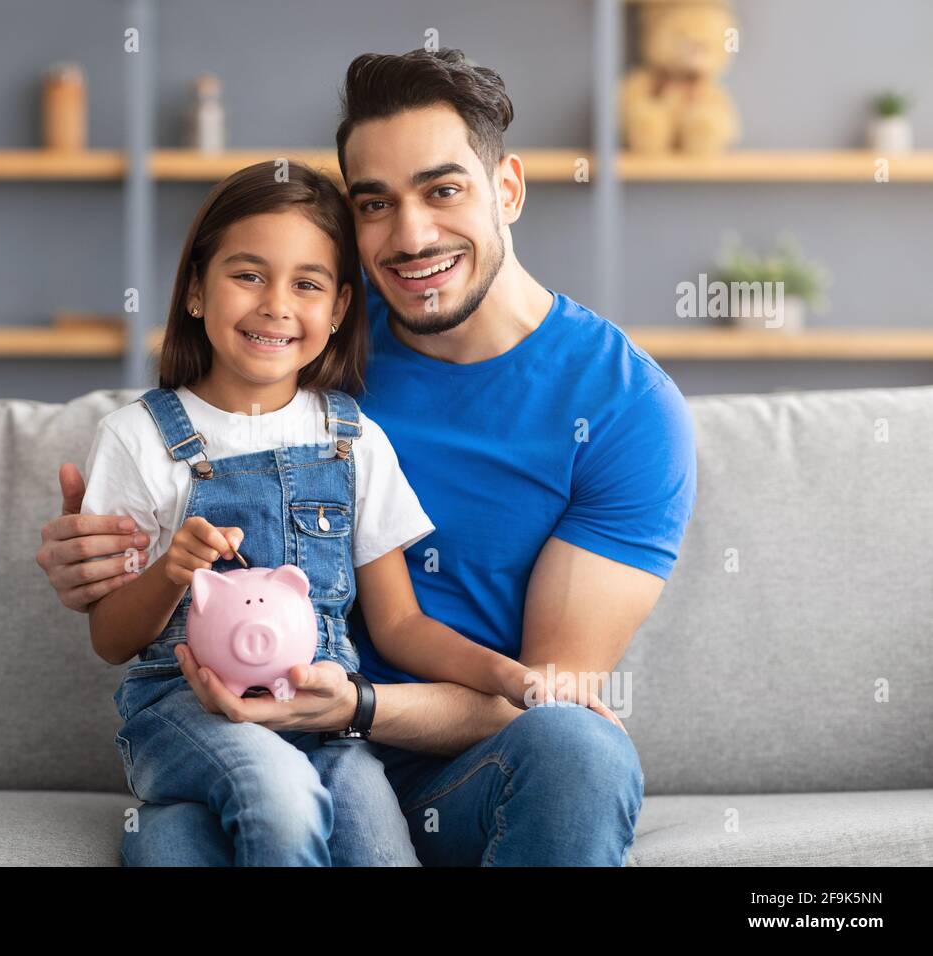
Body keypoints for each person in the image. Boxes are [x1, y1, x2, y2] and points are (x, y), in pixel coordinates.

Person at [38, 49, 696, 867]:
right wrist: (100, 563)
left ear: (509, 189)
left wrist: (354, 708)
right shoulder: (309, 341)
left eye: (443, 188)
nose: (411, 234)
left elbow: (533, 702)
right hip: (245, 741)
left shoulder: (625, 410)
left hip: (447, 773)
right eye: (375, 203)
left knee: (581, 749)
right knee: (168, 841)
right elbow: (186, 449)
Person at [82, 160, 574, 866]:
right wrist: (169, 572)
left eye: (307, 284)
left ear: (340, 308)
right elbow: (110, 638)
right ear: (196, 288)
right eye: (247, 275)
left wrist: (507, 675)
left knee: (376, 843)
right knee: (279, 795)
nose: (277, 305)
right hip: (183, 710)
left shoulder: (355, 442)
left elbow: (400, 625)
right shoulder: (136, 438)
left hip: (324, 711)